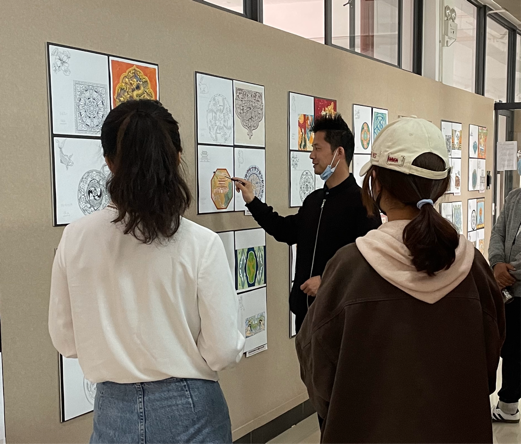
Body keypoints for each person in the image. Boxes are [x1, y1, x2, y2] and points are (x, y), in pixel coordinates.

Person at [296, 117, 505, 444]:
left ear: (376, 182)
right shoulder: (474, 267)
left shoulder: (349, 267)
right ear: (442, 186)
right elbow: (488, 368)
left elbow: (317, 370)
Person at [49, 100, 245, 444]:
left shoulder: (75, 238)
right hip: (191, 407)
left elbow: (65, 340)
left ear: (109, 162)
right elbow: (223, 350)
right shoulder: (201, 243)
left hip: (112, 411)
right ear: (177, 158)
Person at [234, 113, 381, 333]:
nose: (312, 155)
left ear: (339, 153)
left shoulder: (363, 205)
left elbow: (369, 266)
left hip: (339, 322)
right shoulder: (314, 201)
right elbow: (284, 230)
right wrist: (252, 201)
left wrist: (326, 281)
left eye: (317, 148)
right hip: (305, 319)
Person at [489, 187, 521, 422]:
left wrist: (509, 273)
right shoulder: (514, 197)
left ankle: (509, 404)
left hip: (512, 282)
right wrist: (496, 263)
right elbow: (497, 233)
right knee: (510, 347)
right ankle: (508, 403)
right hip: (509, 292)